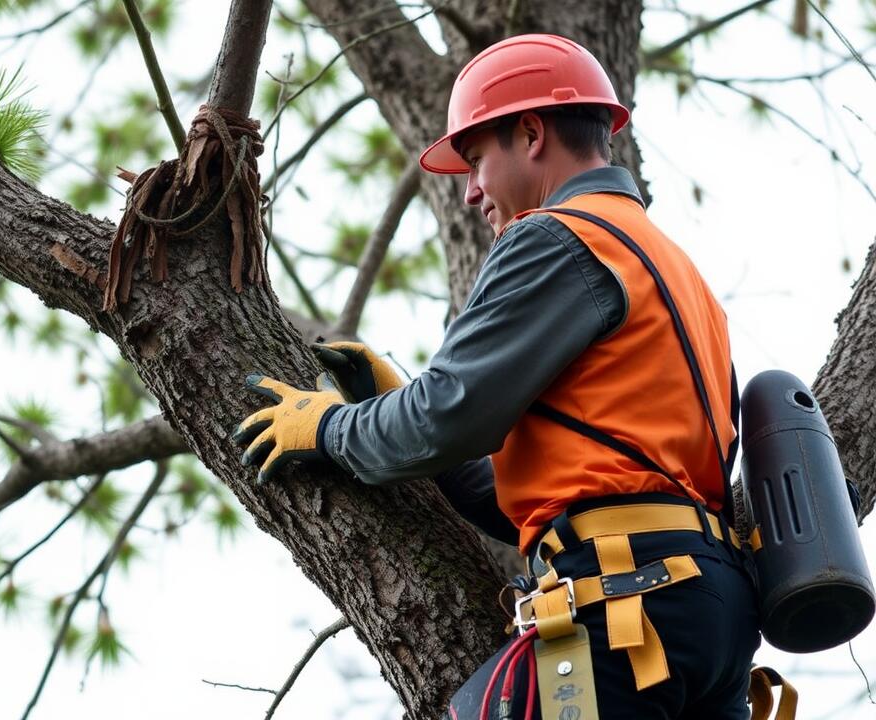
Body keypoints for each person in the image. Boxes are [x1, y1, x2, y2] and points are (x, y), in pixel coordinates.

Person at [232, 34, 765, 719]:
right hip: (708, 611)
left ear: (532, 133)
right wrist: (408, 418)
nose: (469, 192)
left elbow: (447, 417)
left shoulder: (556, 236)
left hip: (625, 602)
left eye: (477, 160)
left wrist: (332, 427)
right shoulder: (672, 268)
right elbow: (558, 491)